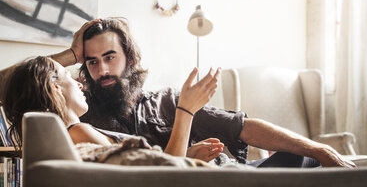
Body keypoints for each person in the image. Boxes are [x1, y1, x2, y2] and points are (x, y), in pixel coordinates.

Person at [1, 17, 355, 168]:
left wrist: (317, 146)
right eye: (91, 63)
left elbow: (241, 127)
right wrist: (70, 56)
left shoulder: (164, 100)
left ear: (129, 59)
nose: (101, 70)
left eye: (110, 57)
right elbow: (16, 87)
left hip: (224, 170)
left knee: (305, 158)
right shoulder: (79, 116)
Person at [3, 56, 223, 164]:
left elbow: (138, 173)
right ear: (56, 87)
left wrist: (186, 155)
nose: (80, 84)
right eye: (69, 77)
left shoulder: (73, 136)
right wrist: (186, 110)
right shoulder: (79, 133)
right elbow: (164, 179)